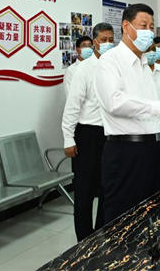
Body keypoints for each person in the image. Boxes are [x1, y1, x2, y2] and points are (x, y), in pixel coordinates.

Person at [94, 4, 160, 224]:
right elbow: (114, 102)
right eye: (143, 25)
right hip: (126, 151)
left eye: (151, 27)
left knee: (151, 213)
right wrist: (159, 107)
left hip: (152, 149)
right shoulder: (110, 61)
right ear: (126, 26)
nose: (149, 32)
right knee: (122, 219)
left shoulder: (145, 63)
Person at [61, 23, 114, 241]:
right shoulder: (84, 69)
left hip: (111, 134)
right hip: (88, 134)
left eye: (111, 39)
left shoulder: (115, 67)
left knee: (107, 188)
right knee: (84, 191)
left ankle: (101, 233)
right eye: (103, 40)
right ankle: (83, 240)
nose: (107, 43)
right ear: (94, 42)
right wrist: (68, 138)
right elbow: (72, 106)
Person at [63, 36, 93, 100]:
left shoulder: (95, 66)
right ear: (77, 49)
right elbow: (70, 96)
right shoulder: (71, 70)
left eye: (89, 46)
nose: (88, 48)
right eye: (84, 46)